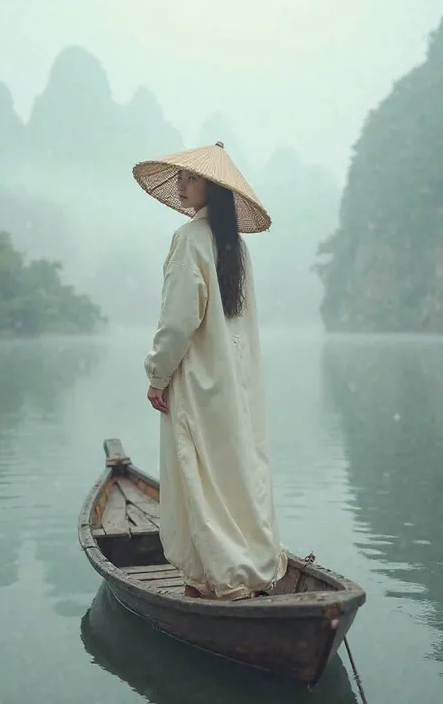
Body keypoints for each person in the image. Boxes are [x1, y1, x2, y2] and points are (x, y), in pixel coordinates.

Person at [133, 141, 287, 600]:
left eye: (191, 178)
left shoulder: (188, 241)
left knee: (195, 476)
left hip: (199, 383)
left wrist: (157, 376)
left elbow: (178, 322)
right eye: (181, 177)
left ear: (213, 190)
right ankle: (249, 568)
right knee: (233, 472)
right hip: (234, 384)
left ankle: (210, 578)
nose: (182, 185)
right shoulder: (233, 246)